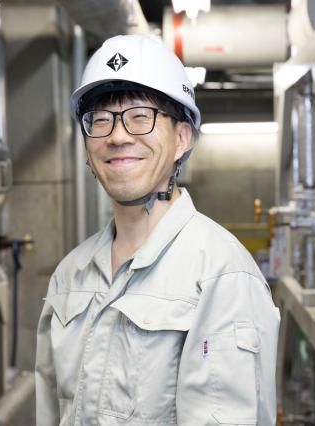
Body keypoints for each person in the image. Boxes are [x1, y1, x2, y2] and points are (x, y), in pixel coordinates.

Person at [35, 34, 280, 425]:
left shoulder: (220, 275)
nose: (117, 136)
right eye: (100, 120)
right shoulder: (70, 275)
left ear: (181, 138)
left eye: (140, 116)